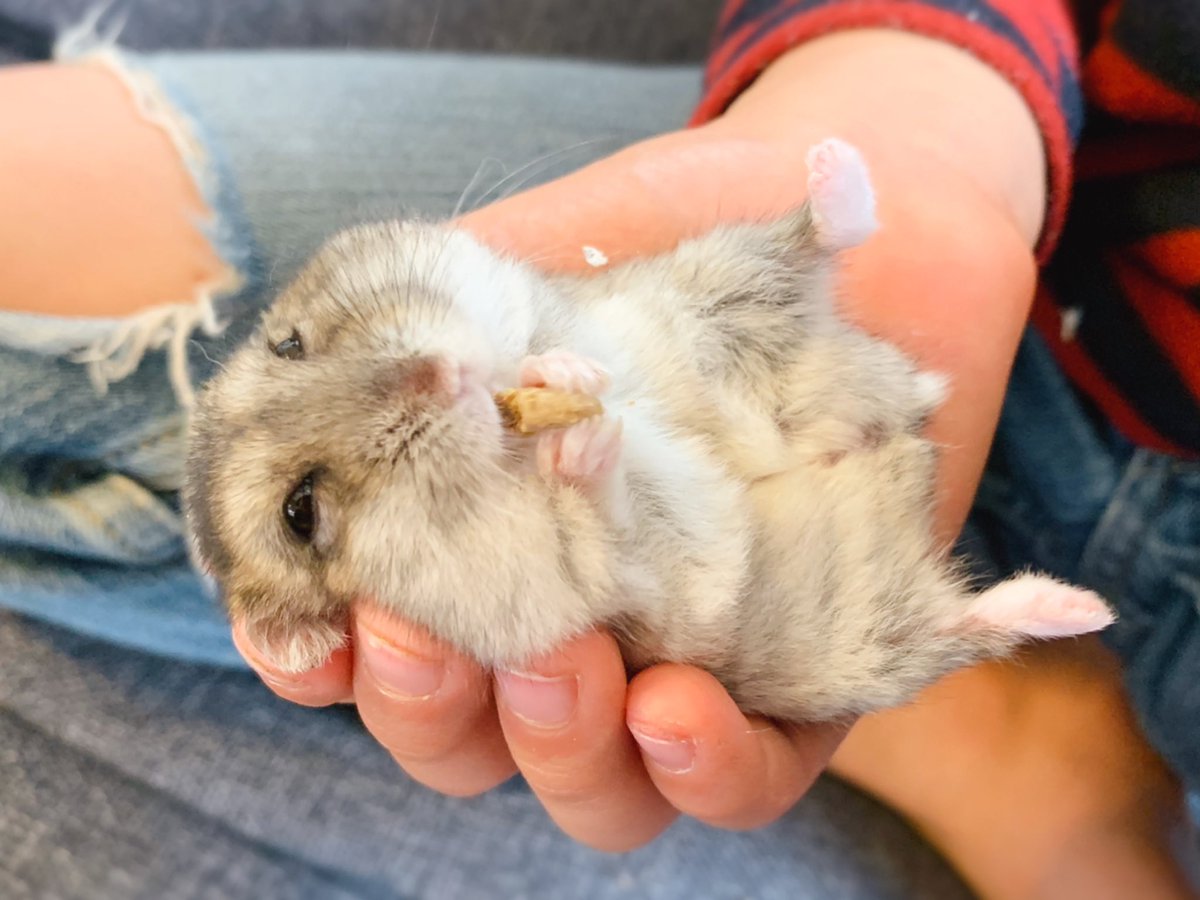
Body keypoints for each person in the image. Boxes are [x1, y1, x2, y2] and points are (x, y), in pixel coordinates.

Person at [1, 1, 1196, 897]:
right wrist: (921, 106)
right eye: (301, 346)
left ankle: (963, 693)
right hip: (1064, 213)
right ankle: (975, 711)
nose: (397, 377)